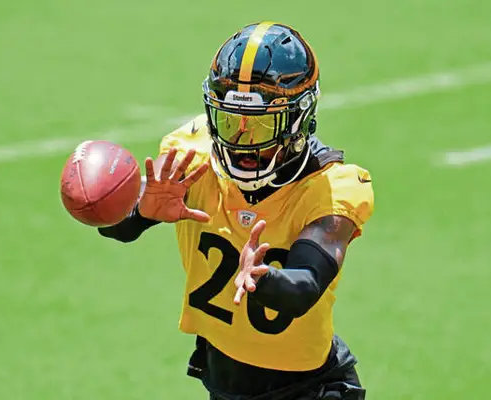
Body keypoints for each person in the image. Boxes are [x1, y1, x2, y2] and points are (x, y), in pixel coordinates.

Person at [98, 21, 374, 400]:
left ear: (298, 119)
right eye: (229, 121)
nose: (242, 140)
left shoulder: (331, 186)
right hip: (224, 382)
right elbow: (113, 224)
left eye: (260, 126)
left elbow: (305, 285)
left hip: (311, 389)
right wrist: (142, 212)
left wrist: (265, 278)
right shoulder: (192, 155)